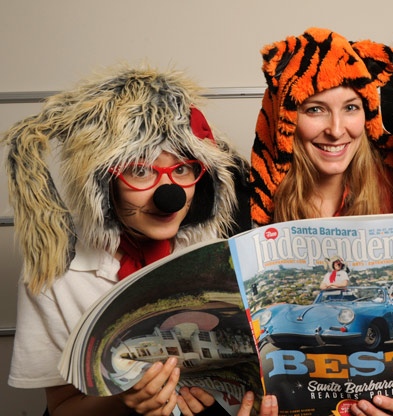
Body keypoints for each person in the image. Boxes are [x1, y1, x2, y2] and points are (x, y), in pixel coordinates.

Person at [3, 66, 273, 416]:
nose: (170, 195)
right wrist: (124, 400)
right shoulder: (57, 270)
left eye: (181, 169)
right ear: (104, 184)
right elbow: (61, 407)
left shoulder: (221, 249)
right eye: (140, 171)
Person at [249, 27, 393, 416]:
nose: (336, 129)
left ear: (368, 113)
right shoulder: (253, 205)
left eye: (351, 107)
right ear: (286, 117)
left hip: (390, 401)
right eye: (314, 109)